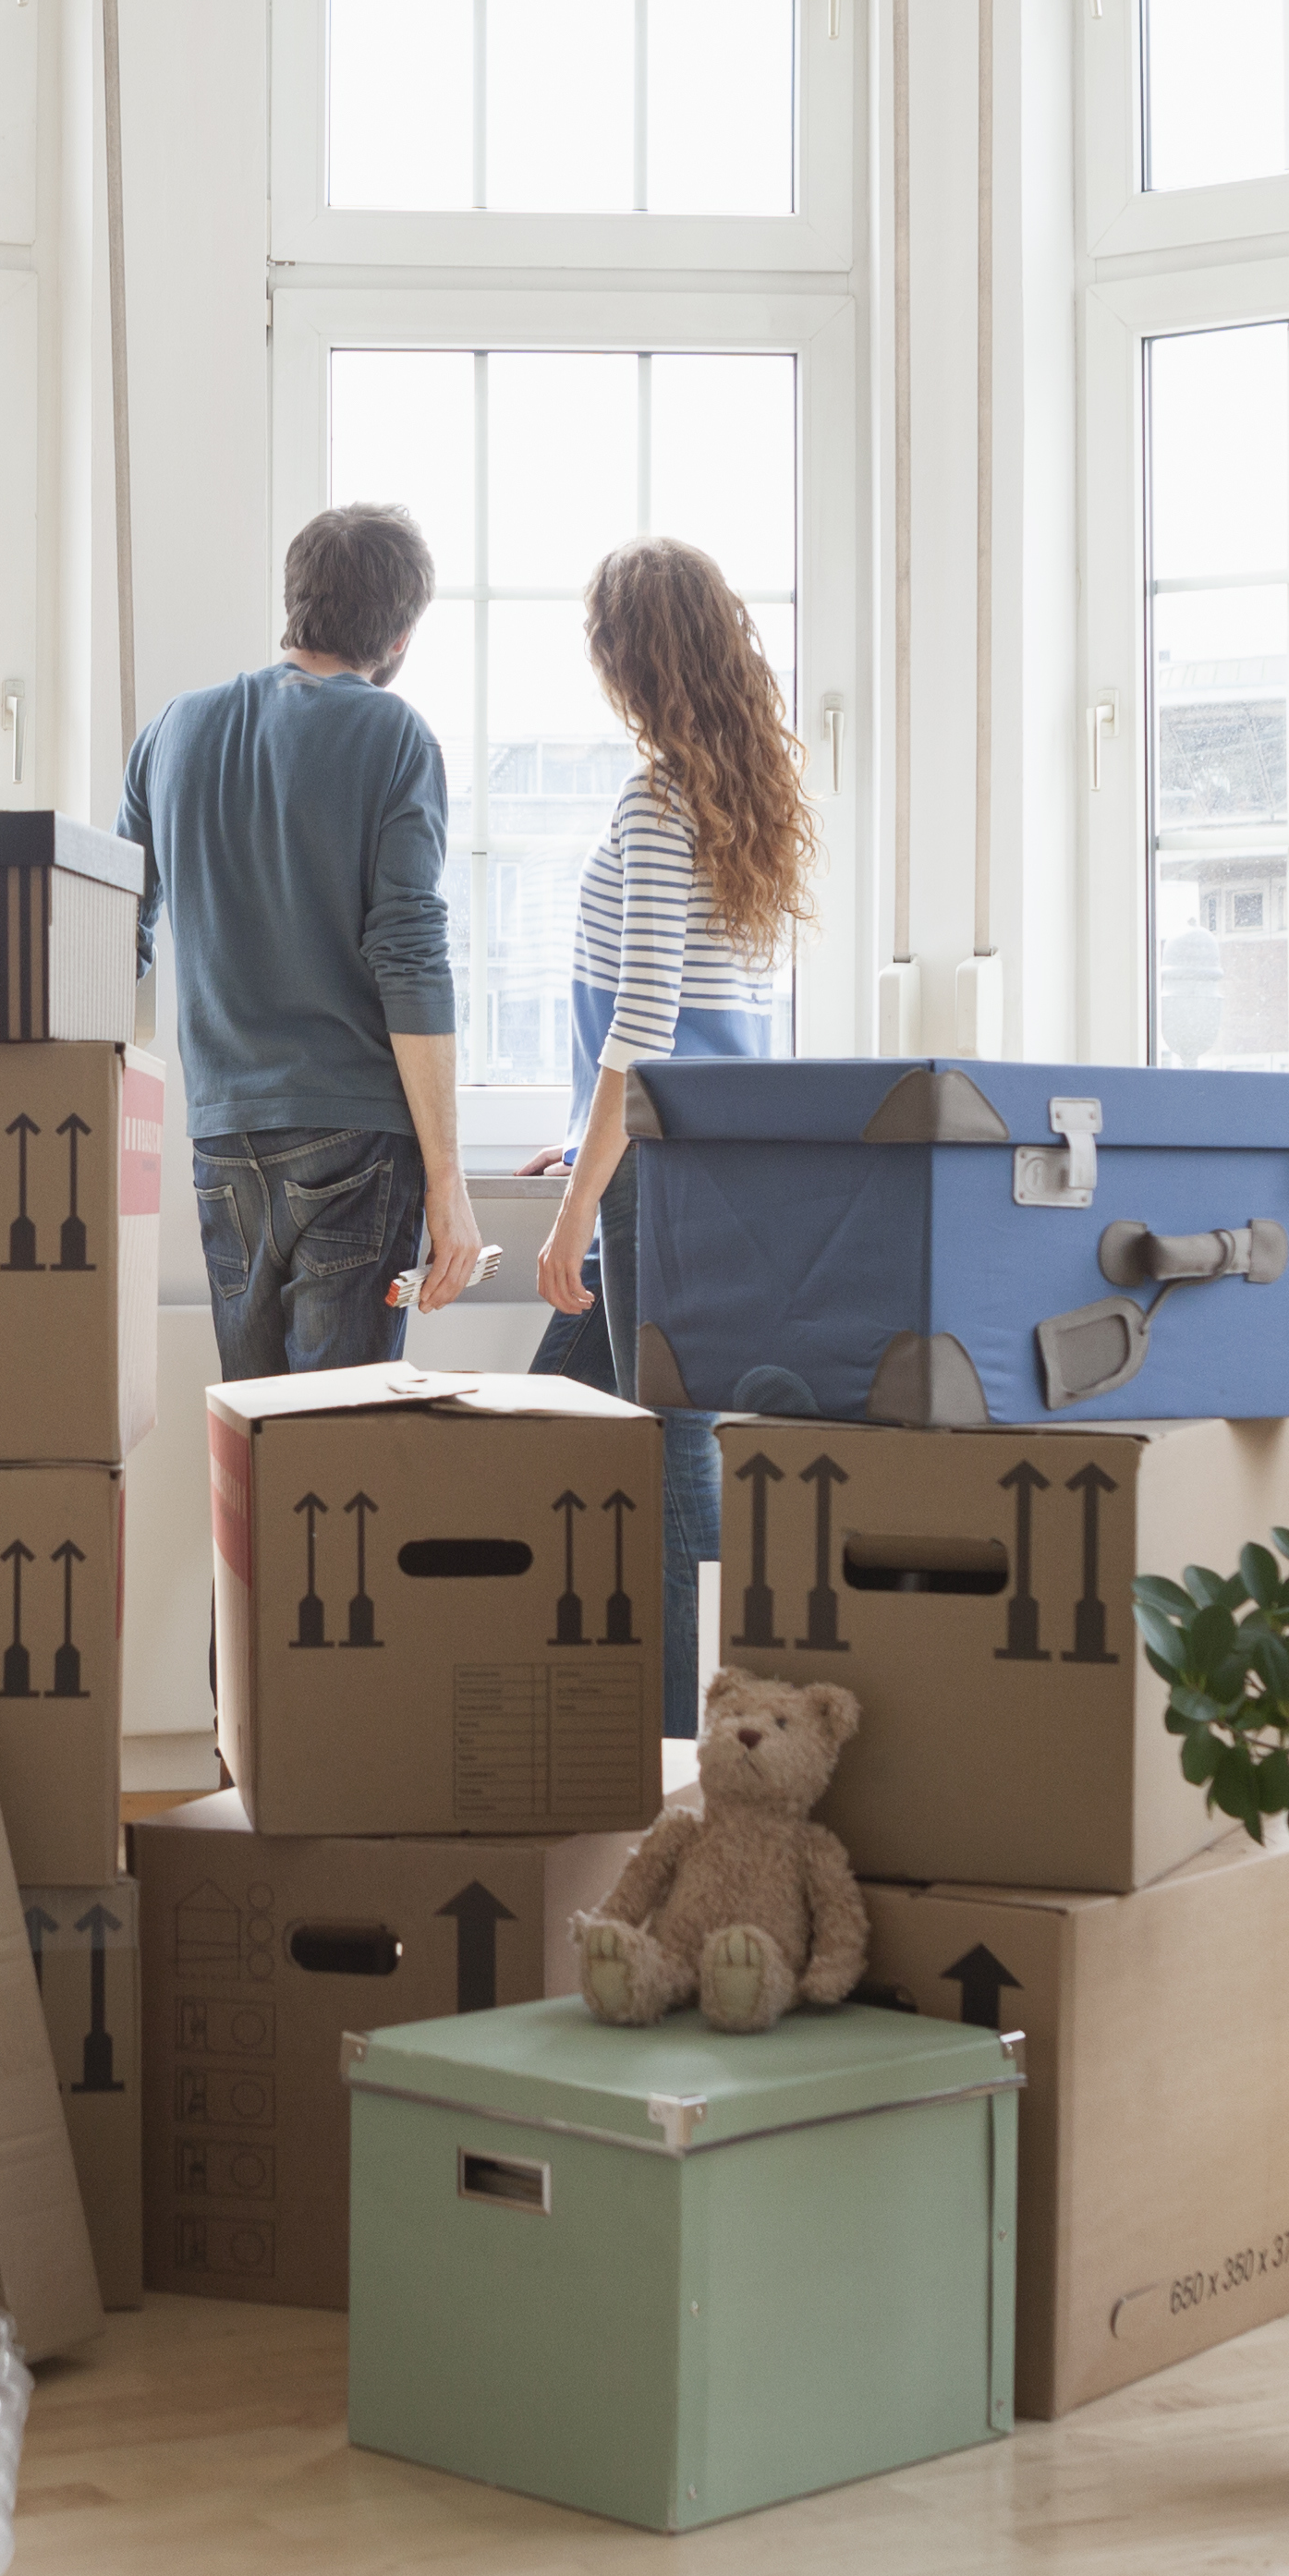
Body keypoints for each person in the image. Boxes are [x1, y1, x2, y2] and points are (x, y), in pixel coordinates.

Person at [529, 535, 812, 1734]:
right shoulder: (744, 801)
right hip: (708, 1157)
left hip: (658, 1165)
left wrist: (579, 1204)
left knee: (666, 1445)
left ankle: (684, 1747)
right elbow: (706, 1016)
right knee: (565, 1422)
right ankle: (600, 1715)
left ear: (624, 660)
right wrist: (584, 1146)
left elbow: (643, 1024)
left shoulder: (655, 803)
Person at [120, 503, 498, 1380]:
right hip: (356, 1139)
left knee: (255, 1445)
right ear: (400, 635)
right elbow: (408, 957)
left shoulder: (173, 731)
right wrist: (451, 1183)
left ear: (294, 600)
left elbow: (111, 934)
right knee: (336, 1460)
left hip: (223, 1135)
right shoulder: (395, 734)